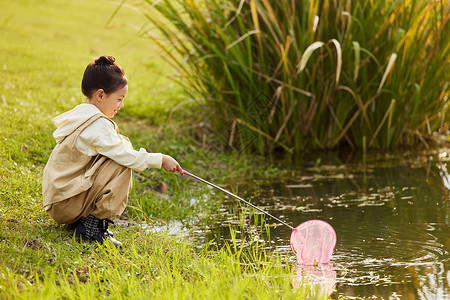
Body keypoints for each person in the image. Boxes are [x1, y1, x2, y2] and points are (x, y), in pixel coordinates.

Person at [42, 56, 183, 248]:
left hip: (60, 200)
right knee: (122, 163)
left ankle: (83, 222)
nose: (121, 105)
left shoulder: (82, 114)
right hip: (65, 203)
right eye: (119, 99)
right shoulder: (98, 125)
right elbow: (126, 157)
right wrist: (161, 159)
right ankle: (90, 229)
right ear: (100, 95)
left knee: (121, 148)